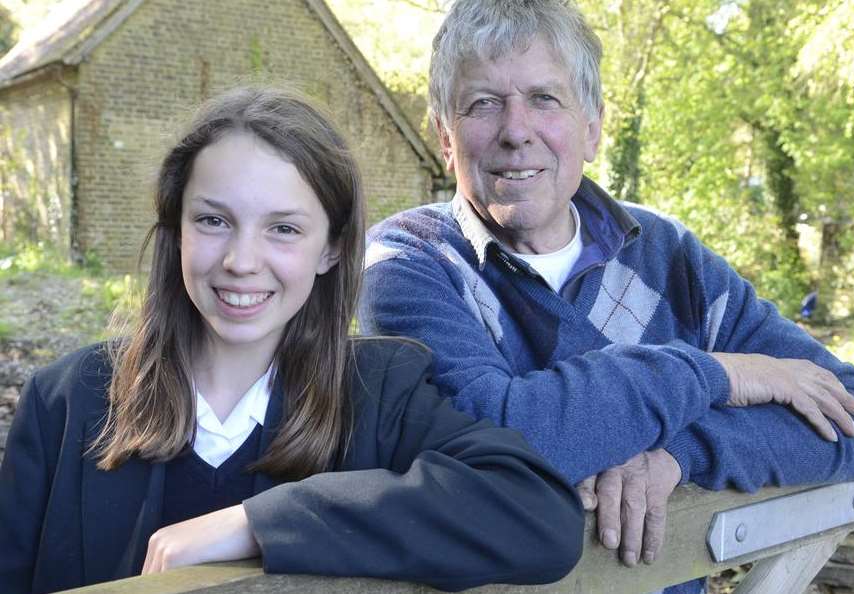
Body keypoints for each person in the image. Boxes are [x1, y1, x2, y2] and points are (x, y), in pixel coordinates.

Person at [358, 1, 854, 592]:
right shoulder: (408, 261)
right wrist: (719, 376)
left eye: (545, 98)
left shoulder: (667, 254)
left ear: (592, 127)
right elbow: (502, 444)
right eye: (483, 103)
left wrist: (680, 453)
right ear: (444, 138)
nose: (515, 130)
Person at [0, 87, 586, 594]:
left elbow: (538, 515)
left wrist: (258, 522)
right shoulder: (66, 401)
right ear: (175, 227)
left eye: (283, 229)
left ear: (330, 248)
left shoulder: (377, 395)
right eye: (212, 220)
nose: (240, 261)